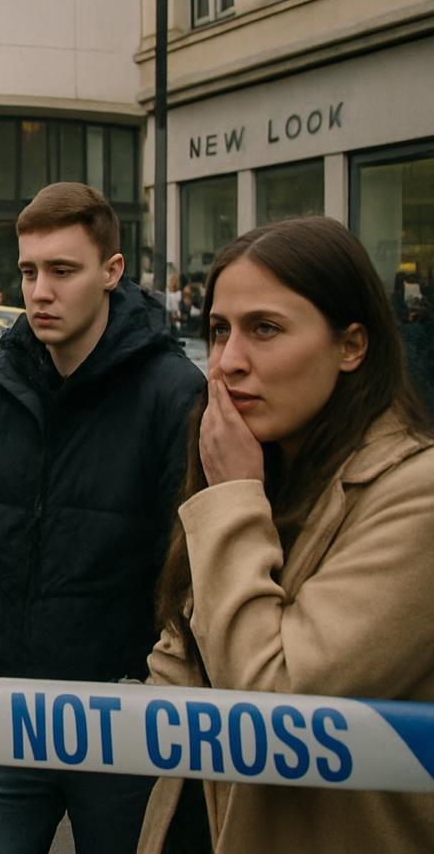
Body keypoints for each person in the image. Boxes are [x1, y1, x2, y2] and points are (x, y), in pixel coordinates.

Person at [138, 217, 434, 854]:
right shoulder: (260, 465)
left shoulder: (416, 494)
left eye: (265, 329)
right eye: (220, 330)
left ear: (351, 345)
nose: (228, 362)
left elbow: (277, 712)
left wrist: (231, 500)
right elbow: (180, 663)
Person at [0, 183, 204, 854]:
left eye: (62, 270)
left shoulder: (173, 393)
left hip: (126, 716)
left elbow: (190, 557)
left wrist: (155, 678)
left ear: (112, 272)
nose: (40, 291)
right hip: (3, 708)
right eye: (29, 271)